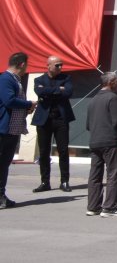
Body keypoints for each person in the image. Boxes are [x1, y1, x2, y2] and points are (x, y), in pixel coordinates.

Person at [86, 72, 117, 217]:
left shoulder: (93, 100)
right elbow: (116, 122)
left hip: (95, 140)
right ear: (111, 82)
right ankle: (109, 207)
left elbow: (88, 124)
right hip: (110, 141)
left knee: (95, 175)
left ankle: (93, 206)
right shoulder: (113, 98)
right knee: (113, 174)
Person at [31, 55, 75, 193]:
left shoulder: (66, 78)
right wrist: (58, 89)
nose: (60, 67)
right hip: (44, 119)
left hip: (61, 119)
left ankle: (65, 181)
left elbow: (68, 92)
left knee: (63, 150)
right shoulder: (39, 79)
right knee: (44, 151)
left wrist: (50, 91)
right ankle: (45, 181)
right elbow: (39, 91)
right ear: (48, 66)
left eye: (61, 65)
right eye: (57, 65)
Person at [0, 52, 35, 209]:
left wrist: (26, 109)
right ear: (21, 64)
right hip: (3, 130)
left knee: (4, 164)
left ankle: (1, 194)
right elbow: (9, 100)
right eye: (26, 65)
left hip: (12, 130)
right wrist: (28, 104)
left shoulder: (15, 80)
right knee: (1, 164)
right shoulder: (6, 79)